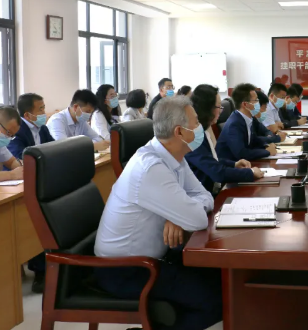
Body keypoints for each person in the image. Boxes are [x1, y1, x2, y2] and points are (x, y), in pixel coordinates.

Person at [94, 97, 221, 330]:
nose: (200, 127)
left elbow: (205, 197)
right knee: (215, 301)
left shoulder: (173, 156)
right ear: (179, 131)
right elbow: (198, 218)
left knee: (220, 278)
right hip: (126, 270)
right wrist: (183, 213)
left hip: (154, 258)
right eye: (195, 122)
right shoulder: (151, 167)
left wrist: (176, 215)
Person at [8, 93, 54, 293]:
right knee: (33, 220)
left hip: (42, 180)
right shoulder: (17, 132)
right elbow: (20, 158)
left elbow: (54, 148)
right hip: (20, 185)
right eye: (41, 109)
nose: (45, 112)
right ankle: (40, 271)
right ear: (27, 114)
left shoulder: (42, 128)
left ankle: (56, 263)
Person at [185, 84, 264, 194]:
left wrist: (234, 164)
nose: (221, 111)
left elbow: (211, 160)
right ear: (207, 109)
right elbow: (217, 172)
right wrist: (250, 173)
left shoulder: (204, 130)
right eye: (219, 107)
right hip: (204, 196)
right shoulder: (193, 136)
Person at [216, 83, 277, 161]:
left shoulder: (247, 119)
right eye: (256, 100)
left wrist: (266, 146)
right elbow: (241, 153)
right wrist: (267, 152)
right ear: (245, 104)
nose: (258, 103)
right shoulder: (234, 124)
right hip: (231, 165)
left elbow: (254, 141)